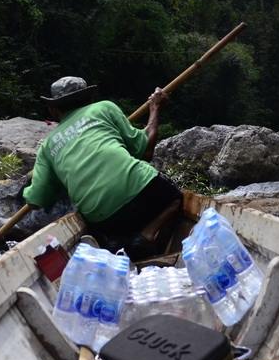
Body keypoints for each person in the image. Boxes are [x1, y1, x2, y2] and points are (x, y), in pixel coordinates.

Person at [23, 76, 182, 258]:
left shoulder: (48, 145)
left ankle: (134, 244)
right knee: (175, 199)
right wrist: (155, 108)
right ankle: (147, 235)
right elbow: (145, 150)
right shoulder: (104, 108)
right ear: (89, 98)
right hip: (142, 191)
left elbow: (37, 199)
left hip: (103, 218)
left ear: (54, 109)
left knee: (111, 233)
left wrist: (28, 191)